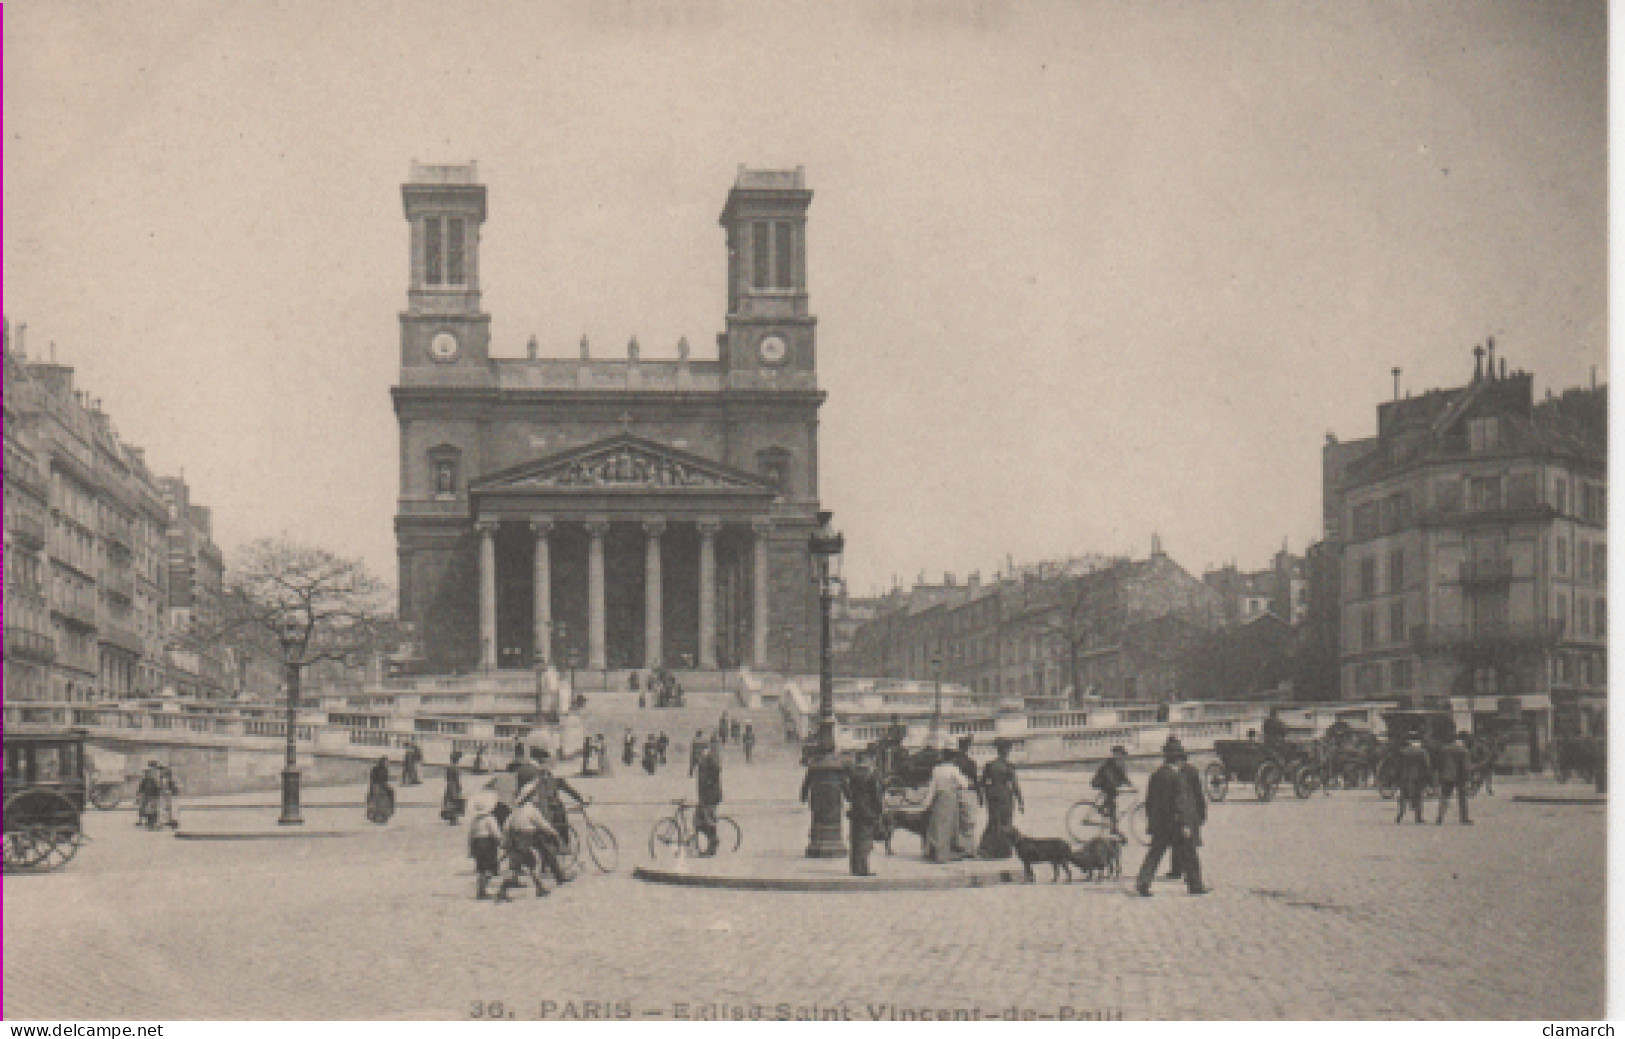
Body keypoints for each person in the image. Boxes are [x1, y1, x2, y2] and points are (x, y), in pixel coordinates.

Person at [1135, 738, 1209, 897]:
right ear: (1179, 759)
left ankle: (1143, 882)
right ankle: (1195, 885)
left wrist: (1152, 821)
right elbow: (1180, 802)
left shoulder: (1157, 775)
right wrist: (1186, 823)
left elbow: (1150, 801)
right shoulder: (1178, 777)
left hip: (1161, 823)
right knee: (1189, 853)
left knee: (1155, 853)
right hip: (1177, 822)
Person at [499, 783, 571, 899]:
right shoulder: (531, 809)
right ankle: (557, 877)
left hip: (515, 836)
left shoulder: (516, 810)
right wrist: (554, 833)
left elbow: (507, 825)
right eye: (534, 795)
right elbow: (542, 824)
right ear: (530, 796)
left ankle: (540, 886)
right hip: (528, 835)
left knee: (520, 863)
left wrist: (506, 840)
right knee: (543, 851)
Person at [977, 738, 1024, 859]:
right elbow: (1014, 785)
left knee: (993, 821)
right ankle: (1003, 851)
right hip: (1004, 794)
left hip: (992, 794)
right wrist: (1020, 801)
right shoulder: (1008, 766)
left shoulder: (990, 765)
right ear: (1007, 751)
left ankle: (987, 849)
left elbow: (982, 783)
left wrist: (981, 797)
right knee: (1006, 822)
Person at [843, 750, 885, 876]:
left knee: (855, 839)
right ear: (868, 759)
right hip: (868, 811)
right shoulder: (872, 774)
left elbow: (847, 792)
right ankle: (863, 869)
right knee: (865, 840)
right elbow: (876, 795)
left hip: (855, 810)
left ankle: (855, 868)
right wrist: (879, 810)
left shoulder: (852, 774)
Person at [924, 753, 967, 863]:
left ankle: (934, 852)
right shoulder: (954, 769)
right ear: (953, 758)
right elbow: (964, 784)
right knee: (950, 825)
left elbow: (932, 787)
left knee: (938, 825)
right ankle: (944, 855)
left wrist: (927, 803)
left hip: (939, 798)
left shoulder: (937, 769)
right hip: (950, 797)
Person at [468, 795, 505, 900]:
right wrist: (501, 841)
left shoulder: (475, 820)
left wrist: (470, 849)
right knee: (490, 868)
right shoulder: (490, 819)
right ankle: (483, 890)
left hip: (476, 843)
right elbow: (495, 832)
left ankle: (481, 890)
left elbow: (470, 835)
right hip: (487, 843)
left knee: (480, 868)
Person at [1091, 746, 1134, 836]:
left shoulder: (1119, 763)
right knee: (1112, 806)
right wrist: (1115, 786)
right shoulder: (1109, 764)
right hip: (1102, 783)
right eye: (1118, 754)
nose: (1120, 757)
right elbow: (1108, 776)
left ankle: (1106, 811)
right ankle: (1113, 828)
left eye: (1121, 755)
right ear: (1115, 754)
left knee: (1112, 804)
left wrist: (1130, 784)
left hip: (1110, 785)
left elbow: (1122, 776)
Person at [1435, 730, 1474, 825]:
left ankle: (1440, 817)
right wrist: (1469, 778)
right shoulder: (1464, 750)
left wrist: (1440, 775)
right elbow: (1466, 766)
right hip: (1460, 777)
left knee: (1444, 797)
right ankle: (1464, 818)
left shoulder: (1444, 749)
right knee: (1462, 798)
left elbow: (1439, 763)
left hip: (1446, 776)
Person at [1395, 732, 1430, 825]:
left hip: (1404, 776)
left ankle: (1400, 815)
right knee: (1418, 796)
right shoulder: (1422, 751)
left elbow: (1398, 765)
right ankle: (1418, 817)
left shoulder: (1403, 751)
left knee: (1403, 796)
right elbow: (1427, 765)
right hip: (1418, 777)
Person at [953, 736, 981, 855]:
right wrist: (980, 796)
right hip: (968, 792)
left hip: (954, 792)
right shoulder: (970, 763)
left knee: (956, 821)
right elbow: (975, 781)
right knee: (969, 821)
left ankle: (957, 847)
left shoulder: (953, 762)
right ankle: (968, 849)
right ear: (968, 748)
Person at [695, 741, 723, 856]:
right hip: (704, 795)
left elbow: (717, 769)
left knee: (708, 821)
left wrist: (710, 782)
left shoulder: (709, 758)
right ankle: (708, 844)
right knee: (698, 820)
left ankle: (712, 846)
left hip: (710, 796)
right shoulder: (704, 758)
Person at [365, 756, 394, 824]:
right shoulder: (380, 770)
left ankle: (380, 815)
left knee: (387, 795)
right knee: (382, 799)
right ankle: (380, 815)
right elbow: (377, 780)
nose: (387, 764)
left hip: (378, 787)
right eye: (386, 762)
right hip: (378, 787)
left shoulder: (382, 769)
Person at [441, 750, 465, 825]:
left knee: (450, 801)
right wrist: (459, 787)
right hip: (454, 786)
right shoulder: (456, 768)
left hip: (449, 785)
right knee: (456, 801)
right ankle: (454, 819)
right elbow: (457, 779)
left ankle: (450, 817)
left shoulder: (448, 767)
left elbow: (447, 778)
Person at [136, 763, 161, 829]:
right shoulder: (146, 780)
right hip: (148, 796)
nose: (148, 774)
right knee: (147, 810)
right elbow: (141, 788)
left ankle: (152, 823)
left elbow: (157, 788)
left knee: (152, 810)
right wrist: (140, 794)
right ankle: (149, 822)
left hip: (152, 797)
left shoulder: (153, 780)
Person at [158, 765, 180, 830]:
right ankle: (169, 821)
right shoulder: (166, 779)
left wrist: (167, 792)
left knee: (170, 808)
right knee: (168, 808)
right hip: (169, 796)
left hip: (170, 796)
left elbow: (167, 788)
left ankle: (172, 821)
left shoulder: (167, 779)